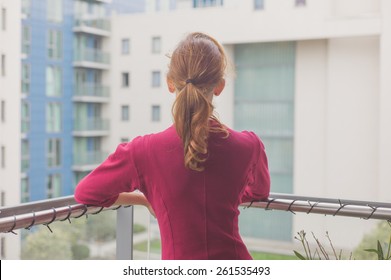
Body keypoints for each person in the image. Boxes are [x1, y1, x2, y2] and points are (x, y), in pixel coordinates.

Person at [74, 32, 270, 260]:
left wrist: (147, 199)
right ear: (219, 86)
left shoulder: (143, 151)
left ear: (170, 83)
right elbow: (259, 192)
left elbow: (86, 193)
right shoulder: (249, 146)